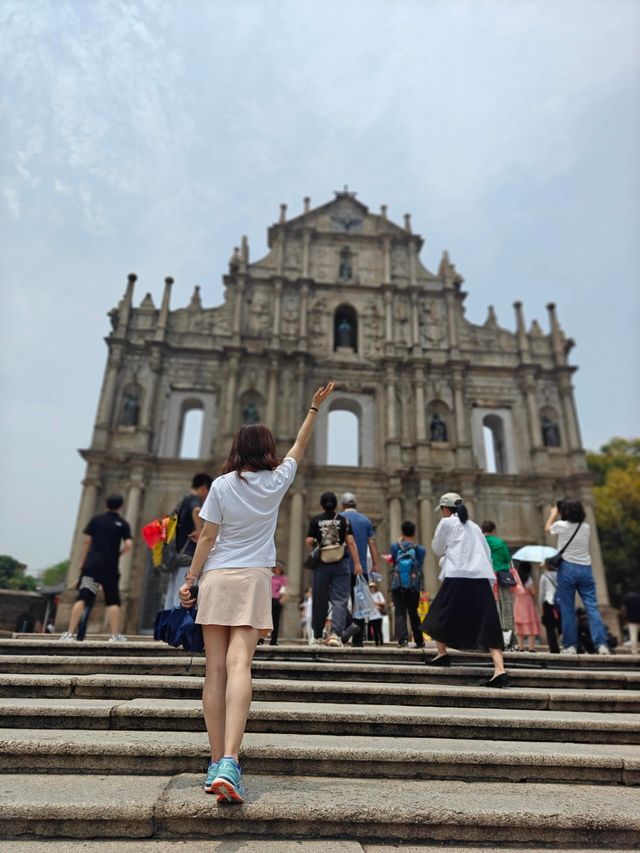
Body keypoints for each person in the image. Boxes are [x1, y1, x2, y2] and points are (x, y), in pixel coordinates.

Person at [178, 382, 335, 804]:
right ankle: (231, 759)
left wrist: (191, 580)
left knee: (214, 671)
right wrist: (313, 408)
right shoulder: (277, 481)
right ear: (267, 449)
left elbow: (207, 537)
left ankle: (214, 764)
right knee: (241, 664)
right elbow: (298, 447)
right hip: (252, 580)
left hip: (216, 580)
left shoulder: (222, 485)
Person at [422, 493, 508, 687]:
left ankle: (442, 653)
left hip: (457, 574)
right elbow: (486, 552)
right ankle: (499, 669)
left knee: (440, 612)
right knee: (488, 621)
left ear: (445, 508)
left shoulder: (446, 523)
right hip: (480, 576)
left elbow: (437, 548)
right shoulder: (475, 526)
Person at [59, 495, 132, 643]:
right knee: (113, 601)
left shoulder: (96, 520)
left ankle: (69, 634)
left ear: (106, 505)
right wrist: (117, 555)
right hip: (110, 568)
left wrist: (82, 561)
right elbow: (129, 545)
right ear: (121, 507)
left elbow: (87, 541)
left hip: (92, 566)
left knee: (83, 597)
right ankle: (115, 635)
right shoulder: (123, 524)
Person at [545, 499, 611, 655]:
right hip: (585, 569)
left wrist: (553, 514)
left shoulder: (561, 526)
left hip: (567, 568)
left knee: (568, 609)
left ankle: (571, 646)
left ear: (565, 512)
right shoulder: (586, 527)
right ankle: (601, 644)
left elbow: (547, 528)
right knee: (592, 607)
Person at [306, 491, 362, 646]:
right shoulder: (343, 520)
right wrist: (357, 563)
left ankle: (317, 635)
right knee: (340, 599)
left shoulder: (316, 520)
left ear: (321, 504)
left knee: (319, 600)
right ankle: (336, 635)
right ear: (336, 504)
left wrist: (318, 545)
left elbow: (309, 540)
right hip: (340, 562)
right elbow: (350, 542)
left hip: (322, 563)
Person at [164, 473, 213, 610]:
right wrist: (200, 532)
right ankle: (177, 629)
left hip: (177, 556)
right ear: (204, 488)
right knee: (184, 596)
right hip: (188, 557)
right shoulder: (194, 500)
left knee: (172, 596)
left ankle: (168, 628)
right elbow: (197, 511)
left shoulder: (182, 502)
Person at [340, 492, 383, 646]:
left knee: (339, 600)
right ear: (355, 505)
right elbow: (372, 544)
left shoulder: (339, 518)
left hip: (342, 567)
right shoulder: (365, 520)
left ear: (343, 505)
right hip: (362, 569)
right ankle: (358, 640)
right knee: (360, 604)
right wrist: (376, 564)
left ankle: (349, 625)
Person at [390, 521, 426, 649]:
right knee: (413, 612)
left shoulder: (395, 547)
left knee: (400, 612)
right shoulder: (420, 549)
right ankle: (419, 640)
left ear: (402, 532)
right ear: (414, 532)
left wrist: (399, 541)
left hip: (397, 584)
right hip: (413, 585)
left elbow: (394, 562)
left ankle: (402, 640)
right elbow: (420, 565)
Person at [481, 520, 515, 649]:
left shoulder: (480, 542)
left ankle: (487, 637)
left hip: (485, 579)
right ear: (494, 530)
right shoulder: (500, 542)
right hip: (501, 578)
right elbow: (507, 558)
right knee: (505, 607)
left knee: (488, 608)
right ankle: (506, 639)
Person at [511, 562, 541, 652]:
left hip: (518, 603)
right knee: (530, 624)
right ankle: (531, 647)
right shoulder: (529, 579)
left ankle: (521, 647)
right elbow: (534, 592)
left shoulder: (515, 578)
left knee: (519, 625)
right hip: (528, 604)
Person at [539, 564, 561, 654]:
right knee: (561, 626)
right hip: (560, 603)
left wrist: (540, 605)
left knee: (550, 628)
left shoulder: (544, 576)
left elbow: (542, 592)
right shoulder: (560, 574)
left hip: (548, 603)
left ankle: (554, 649)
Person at [269, 561, 288, 646]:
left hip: (277, 600)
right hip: (268, 599)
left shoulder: (283, 578)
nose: (276, 569)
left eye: (278, 568)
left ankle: (274, 640)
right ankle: (260, 638)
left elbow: (283, 589)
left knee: (275, 621)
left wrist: (281, 598)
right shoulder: (270, 576)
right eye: (275, 568)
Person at [621, 589, 640, 654]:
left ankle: (634, 651)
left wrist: (624, 618)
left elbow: (623, 608)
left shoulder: (626, 597)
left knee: (633, 635)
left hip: (631, 619)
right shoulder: (638, 596)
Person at [368, 580, 386, 646]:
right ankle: (376, 644)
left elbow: (383, 602)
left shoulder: (378, 594)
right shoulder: (368, 595)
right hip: (371, 616)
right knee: (374, 631)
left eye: (372, 587)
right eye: (370, 587)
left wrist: (374, 603)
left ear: (375, 588)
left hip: (378, 615)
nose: (371, 588)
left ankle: (381, 642)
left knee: (379, 630)